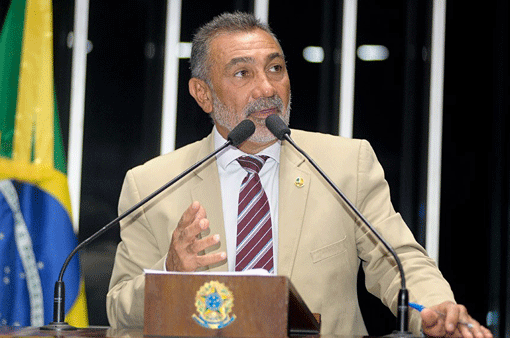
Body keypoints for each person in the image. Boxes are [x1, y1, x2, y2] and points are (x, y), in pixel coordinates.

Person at [107, 12, 492, 337]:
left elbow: (397, 260)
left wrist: (435, 307)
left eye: (275, 68)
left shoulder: (344, 164)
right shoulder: (152, 184)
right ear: (202, 94)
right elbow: (119, 308)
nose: (266, 87)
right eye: (242, 73)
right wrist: (168, 274)